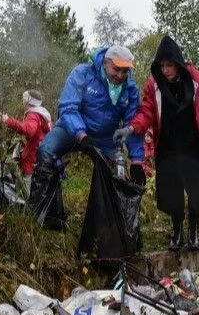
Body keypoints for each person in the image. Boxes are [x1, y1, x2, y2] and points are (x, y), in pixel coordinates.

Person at [113, 35, 199, 251]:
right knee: (172, 193)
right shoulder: (154, 85)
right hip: (168, 147)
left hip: (195, 146)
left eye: (169, 65)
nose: (165, 70)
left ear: (178, 64)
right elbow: (146, 111)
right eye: (162, 65)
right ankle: (176, 231)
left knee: (197, 192)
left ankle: (194, 229)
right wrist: (131, 128)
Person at [31, 45, 145, 201]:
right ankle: (44, 213)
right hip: (71, 130)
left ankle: (109, 220)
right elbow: (68, 107)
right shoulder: (82, 74)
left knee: (116, 175)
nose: (120, 75)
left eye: (125, 71)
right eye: (116, 69)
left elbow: (132, 123)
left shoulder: (130, 89)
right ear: (105, 63)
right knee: (46, 151)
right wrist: (81, 134)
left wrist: (137, 160)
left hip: (106, 138)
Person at [0, 90, 52, 193]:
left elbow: (28, 130)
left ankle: (25, 207)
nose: (22, 101)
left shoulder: (33, 115)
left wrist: (8, 120)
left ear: (29, 101)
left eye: (24, 99)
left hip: (32, 156)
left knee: (26, 187)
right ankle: (23, 204)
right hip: (40, 155)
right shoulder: (43, 115)